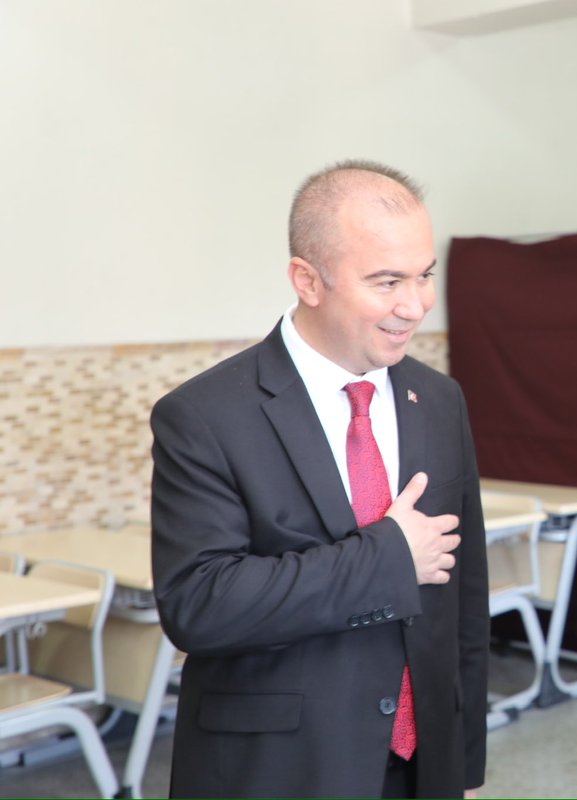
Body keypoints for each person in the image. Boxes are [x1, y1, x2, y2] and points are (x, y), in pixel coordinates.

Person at [150, 160, 488, 798]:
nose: (412, 305)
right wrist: (388, 555)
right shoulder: (206, 416)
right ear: (308, 280)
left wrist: (465, 767)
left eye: (424, 277)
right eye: (386, 281)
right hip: (283, 770)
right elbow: (199, 603)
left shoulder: (440, 400)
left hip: (424, 768)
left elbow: (464, 600)